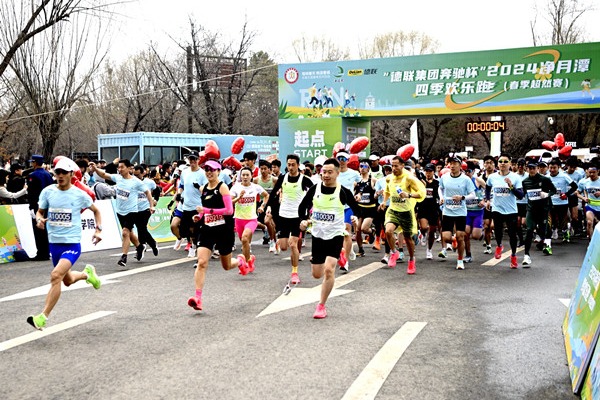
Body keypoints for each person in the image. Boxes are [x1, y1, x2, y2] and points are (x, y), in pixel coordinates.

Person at [26, 158, 102, 330]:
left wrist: (98, 230)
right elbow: (40, 212)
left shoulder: (79, 195)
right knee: (66, 280)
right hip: (55, 244)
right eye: (57, 172)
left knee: (55, 276)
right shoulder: (48, 192)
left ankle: (42, 317)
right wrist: (39, 220)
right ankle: (87, 274)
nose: (59, 175)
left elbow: (96, 211)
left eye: (63, 173)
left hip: (71, 245)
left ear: (71, 175)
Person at [298, 158, 361, 318]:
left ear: (337, 173)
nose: (325, 175)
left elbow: (356, 209)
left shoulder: (343, 191)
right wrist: (303, 220)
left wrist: (354, 218)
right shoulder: (315, 188)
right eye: (323, 172)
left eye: (329, 172)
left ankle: (321, 306)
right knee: (316, 274)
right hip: (318, 235)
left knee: (328, 270)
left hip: (335, 235)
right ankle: (341, 254)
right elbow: (302, 206)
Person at [187, 160, 249, 312]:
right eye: (206, 169)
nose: (209, 172)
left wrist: (207, 211)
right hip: (207, 229)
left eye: (212, 170)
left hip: (224, 230)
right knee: (202, 262)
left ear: (218, 171)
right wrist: (199, 216)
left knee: (226, 266)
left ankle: (240, 261)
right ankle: (198, 298)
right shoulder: (204, 189)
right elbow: (204, 212)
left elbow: (228, 210)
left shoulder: (223, 188)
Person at [90, 158, 155, 268]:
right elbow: (104, 175)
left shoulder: (136, 182)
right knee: (130, 233)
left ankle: (123, 257)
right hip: (120, 211)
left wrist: (151, 205)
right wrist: (95, 168)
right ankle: (140, 247)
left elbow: (147, 192)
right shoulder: (118, 178)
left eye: (122, 167)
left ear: (129, 168)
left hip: (132, 211)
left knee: (125, 232)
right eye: (118, 167)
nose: (119, 169)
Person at [264, 154, 313, 284]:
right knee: (284, 246)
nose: (290, 167)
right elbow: (274, 192)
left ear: (298, 165)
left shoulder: (304, 179)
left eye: (293, 165)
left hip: (297, 216)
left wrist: (308, 213)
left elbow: (314, 195)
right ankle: (278, 243)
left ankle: (294, 273)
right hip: (283, 215)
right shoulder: (283, 178)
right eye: (289, 164)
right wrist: (268, 206)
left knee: (293, 244)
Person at [380, 156, 426, 274]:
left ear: (402, 165)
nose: (393, 168)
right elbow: (387, 191)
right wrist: (384, 202)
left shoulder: (409, 178)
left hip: (406, 212)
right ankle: (394, 252)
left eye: (396, 166)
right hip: (393, 210)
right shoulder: (389, 178)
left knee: (408, 238)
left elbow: (421, 193)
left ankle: (411, 260)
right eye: (392, 166)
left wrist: (408, 195)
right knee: (388, 231)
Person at [484, 154, 524, 268]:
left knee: (512, 234)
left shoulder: (515, 177)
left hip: (511, 210)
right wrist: (487, 200)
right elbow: (487, 187)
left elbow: (520, 195)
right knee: (497, 230)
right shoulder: (492, 177)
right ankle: (499, 245)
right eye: (500, 161)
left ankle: (513, 256)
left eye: (505, 161)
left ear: (510, 164)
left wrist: (511, 186)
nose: (502, 163)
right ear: (498, 164)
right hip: (497, 208)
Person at [438, 156, 476, 270]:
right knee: (446, 237)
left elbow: (472, 195)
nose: (452, 166)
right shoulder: (444, 177)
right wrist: (441, 197)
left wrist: (462, 197)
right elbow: (440, 188)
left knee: (460, 237)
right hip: (448, 211)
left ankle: (460, 260)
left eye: (455, 163)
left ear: (460, 165)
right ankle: (453, 241)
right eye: (451, 163)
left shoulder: (466, 179)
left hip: (460, 212)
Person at [231, 167, 269, 271]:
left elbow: (266, 195)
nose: (245, 177)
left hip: (251, 219)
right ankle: (249, 260)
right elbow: (229, 202)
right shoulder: (236, 187)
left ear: (251, 176)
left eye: (247, 175)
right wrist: (239, 198)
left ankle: (245, 264)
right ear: (240, 176)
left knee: (244, 238)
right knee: (244, 243)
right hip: (239, 219)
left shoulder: (255, 187)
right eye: (243, 175)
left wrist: (262, 206)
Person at [521, 161, 556, 266]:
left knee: (542, 231)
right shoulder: (525, 181)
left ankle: (547, 243)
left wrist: (547, 194)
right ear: (527, 169)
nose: (532, 170)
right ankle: (526, 255)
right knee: (529, 230)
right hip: (531, 209)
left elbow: (554, 190)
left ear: (537, 169)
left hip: (543, 209)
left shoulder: (545, 179)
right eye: (529, 168)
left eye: (533, 168)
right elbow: (523, 194)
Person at [178, 151, 208, 257]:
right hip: (186, 205)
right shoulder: (185, 172)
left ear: (198, 160)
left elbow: (206, 190)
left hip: (197, 206)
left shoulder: (203, 173)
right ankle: (190, 242)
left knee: (196, 229)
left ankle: (194, 246)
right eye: (191, 159)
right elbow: (181, 185)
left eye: (194, 159)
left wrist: (199, 186)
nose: (192, 161)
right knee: (183, 229)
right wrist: (179, 194)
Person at [336, 151, 361, 270]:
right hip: (335, 206)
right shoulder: (334, 173)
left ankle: (345, 262)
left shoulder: (354, 173)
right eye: (339, 158)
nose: (341, 160)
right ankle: (349, 249)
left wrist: (359, 193)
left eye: (343, 158)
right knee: (339, 233)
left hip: (348, 206)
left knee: (346, 229)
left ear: (348, 160)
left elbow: (362, 183)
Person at [27, 154, 54, 261]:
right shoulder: (48, 175)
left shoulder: (33, 176)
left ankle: (41, 253)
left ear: (34, 162)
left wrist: (31, 207)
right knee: (46, 230)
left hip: (37, 206)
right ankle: (46, 252)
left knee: (38, 230)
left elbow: (32, 194)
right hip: (48, 205)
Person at [548, 159, 578, 244]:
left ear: (559, 167)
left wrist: (566, 194)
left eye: (554, 168)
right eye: (550, 168)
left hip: (562, 202)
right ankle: (551, 233)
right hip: (551, 202)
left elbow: (574, 186)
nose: (552, 170)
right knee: (551, 219)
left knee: (562, 221)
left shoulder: (564, 176)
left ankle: (565, 232)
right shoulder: (547, 177)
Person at [133, 165, 159, 256]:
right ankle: (152, 243)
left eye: (137, 175)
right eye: (134, 175)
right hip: (134, 209)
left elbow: (157, 191)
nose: (136, 177)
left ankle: (141, 247)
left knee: (141, 227)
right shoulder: (131, 182)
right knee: (141, 228)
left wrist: (155, 200)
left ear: (143, 173)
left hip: (146, 208)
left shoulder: (149, 182)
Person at [354, 159, 377, 257]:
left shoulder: (373, 180)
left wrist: (377, 194)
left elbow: (380, 190)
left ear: (368, 169)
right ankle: (360, 249)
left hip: (370, 208)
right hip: (360, 208)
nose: (362, 169)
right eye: (360, 167)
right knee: (357, 230)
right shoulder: (357, 182)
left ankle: (372, 232)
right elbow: (353, 194)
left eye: (364, 167)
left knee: (364, 228)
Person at [463, 166, 486, 263]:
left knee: (475, 236)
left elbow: (490, 191)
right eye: (465, 171)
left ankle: (481, 233)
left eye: (469, 171)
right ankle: (468, 254)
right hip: (467, 211)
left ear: (473, 171)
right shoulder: (462, 182)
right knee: (466, 233)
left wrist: (484, 201)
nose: (467, 173)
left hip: (478, 211)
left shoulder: (478, 181)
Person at [417, 163, 440, 260]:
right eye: (426, 171)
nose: (428, 173)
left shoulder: (437, 183)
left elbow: (440, 194)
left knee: (432, 230)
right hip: (423, 207)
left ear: (433, 172)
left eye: (430, 171)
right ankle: (422, 234)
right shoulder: (421, 183)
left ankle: (429, 250)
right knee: (423, 227)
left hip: (434, 208)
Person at [577, 163, 600, 239]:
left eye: (594, 172)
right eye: (590, 172)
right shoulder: (584, 182)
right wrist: (583, 198)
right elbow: (577, 193)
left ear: (598, 171)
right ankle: (591, 243)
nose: (592, 174)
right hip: (590, 206)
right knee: (589, 222)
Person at [480, 155, 496, 254]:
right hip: (485, 204)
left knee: (492, 226)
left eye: (491, 163)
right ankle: (488, 245)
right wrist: (481, 200)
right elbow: (476, 191)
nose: (489, 165)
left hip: (496, 203)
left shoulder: (498, 176)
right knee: (486, 226)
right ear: (484, 164)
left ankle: (496, 241)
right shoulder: (480, 177)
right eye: (487, 163)